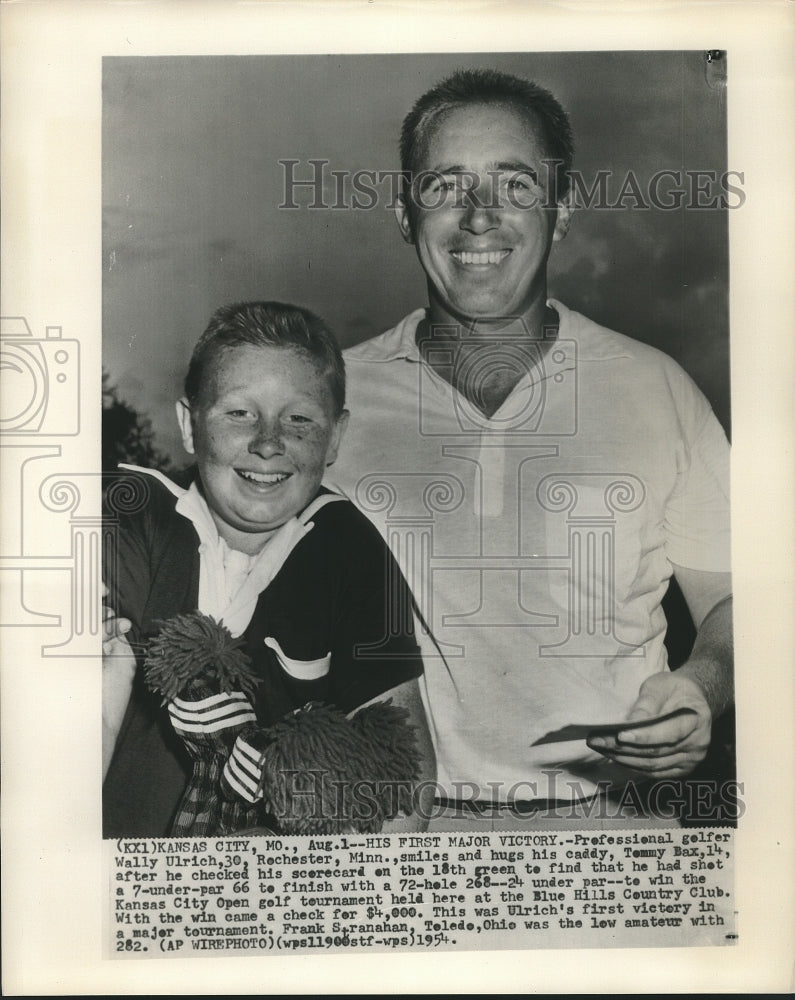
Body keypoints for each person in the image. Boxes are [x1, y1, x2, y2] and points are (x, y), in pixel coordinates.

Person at [326, 68, 733, 828]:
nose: (478, 217)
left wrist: (701, 682)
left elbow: (737, 599)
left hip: (619, 826)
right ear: (402, 213)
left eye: (514, 185)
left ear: (562, 209)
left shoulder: (655, 386)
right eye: (446, 185)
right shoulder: (328, 402)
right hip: (398, 834)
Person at [102, 300, 435, 837]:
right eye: (239, 413)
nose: (268, 442)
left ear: (336, 438)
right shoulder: (129, 513)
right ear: (190, 426)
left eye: (300, 419)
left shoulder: (348, 545)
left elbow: (406, 789)